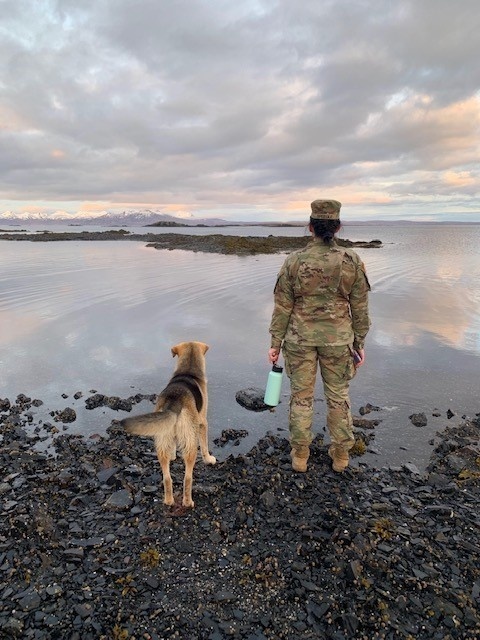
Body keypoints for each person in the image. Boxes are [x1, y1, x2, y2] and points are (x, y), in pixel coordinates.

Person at [268, 199, 370, 473]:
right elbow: (359, 307)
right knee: (338, 396)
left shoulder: (294, 261)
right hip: (338, 340)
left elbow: (282, 306)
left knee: (301, 397)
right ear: (337, 227)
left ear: (311, 227)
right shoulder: (351, 260)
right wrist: (359, 343)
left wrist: (275, 343)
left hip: (299, 339)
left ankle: (300, 456)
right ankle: (340, 457)